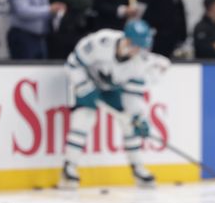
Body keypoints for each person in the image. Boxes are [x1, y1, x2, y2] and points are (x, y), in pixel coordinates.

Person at [59, 19, 170, 190]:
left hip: (111, 88)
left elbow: (132, 96)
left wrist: (138, 117)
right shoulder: (101, 42)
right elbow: (73, 64)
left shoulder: (140, 63)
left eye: (141, 47)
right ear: (126, 40)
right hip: (86, 80)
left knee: (128, 123)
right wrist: (84, 87)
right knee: (84, 118)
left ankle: (137, 167)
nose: (137, 51)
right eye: (135, 46)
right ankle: (69, 167)